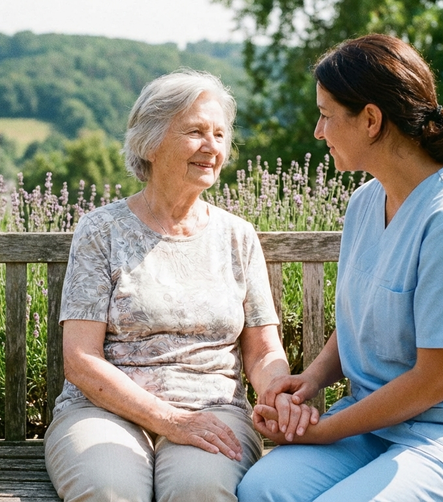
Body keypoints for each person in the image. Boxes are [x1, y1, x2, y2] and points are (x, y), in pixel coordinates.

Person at [237, 34, 443, 502]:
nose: (319, 131)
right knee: (262, 489)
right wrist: (311, 379)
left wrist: (327, 429)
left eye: (326, 115)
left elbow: (437, 380)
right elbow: (366, 317)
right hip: (376, 425)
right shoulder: (365, 202)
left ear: (371, 120)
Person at [44, 69, 307, 502]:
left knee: (199, 490)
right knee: (110, 491)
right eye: (196, 132)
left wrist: (277, 392)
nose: (212, 148)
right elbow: (81, 359)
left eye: (220, 135)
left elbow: (263, 350)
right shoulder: (101, 232)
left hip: (213, 410)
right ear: (150, 141)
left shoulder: (237, 237)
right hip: (102, 411)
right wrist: (170, 420)